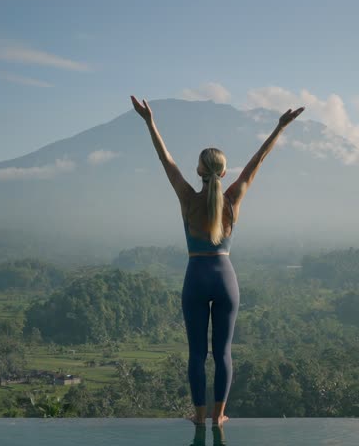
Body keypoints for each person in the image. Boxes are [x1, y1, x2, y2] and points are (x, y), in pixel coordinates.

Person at [130, 95, 305, 426]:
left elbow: (165, 160)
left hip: (195, 277)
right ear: (224, 171)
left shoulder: (187, 198)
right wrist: (279, 127)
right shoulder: (233, 198)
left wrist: (149, 122)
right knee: (223, 353)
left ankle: (198, 417)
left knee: (197, 353)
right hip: (225, 278)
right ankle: (219, 415)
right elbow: (257, 162)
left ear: (199, 171)